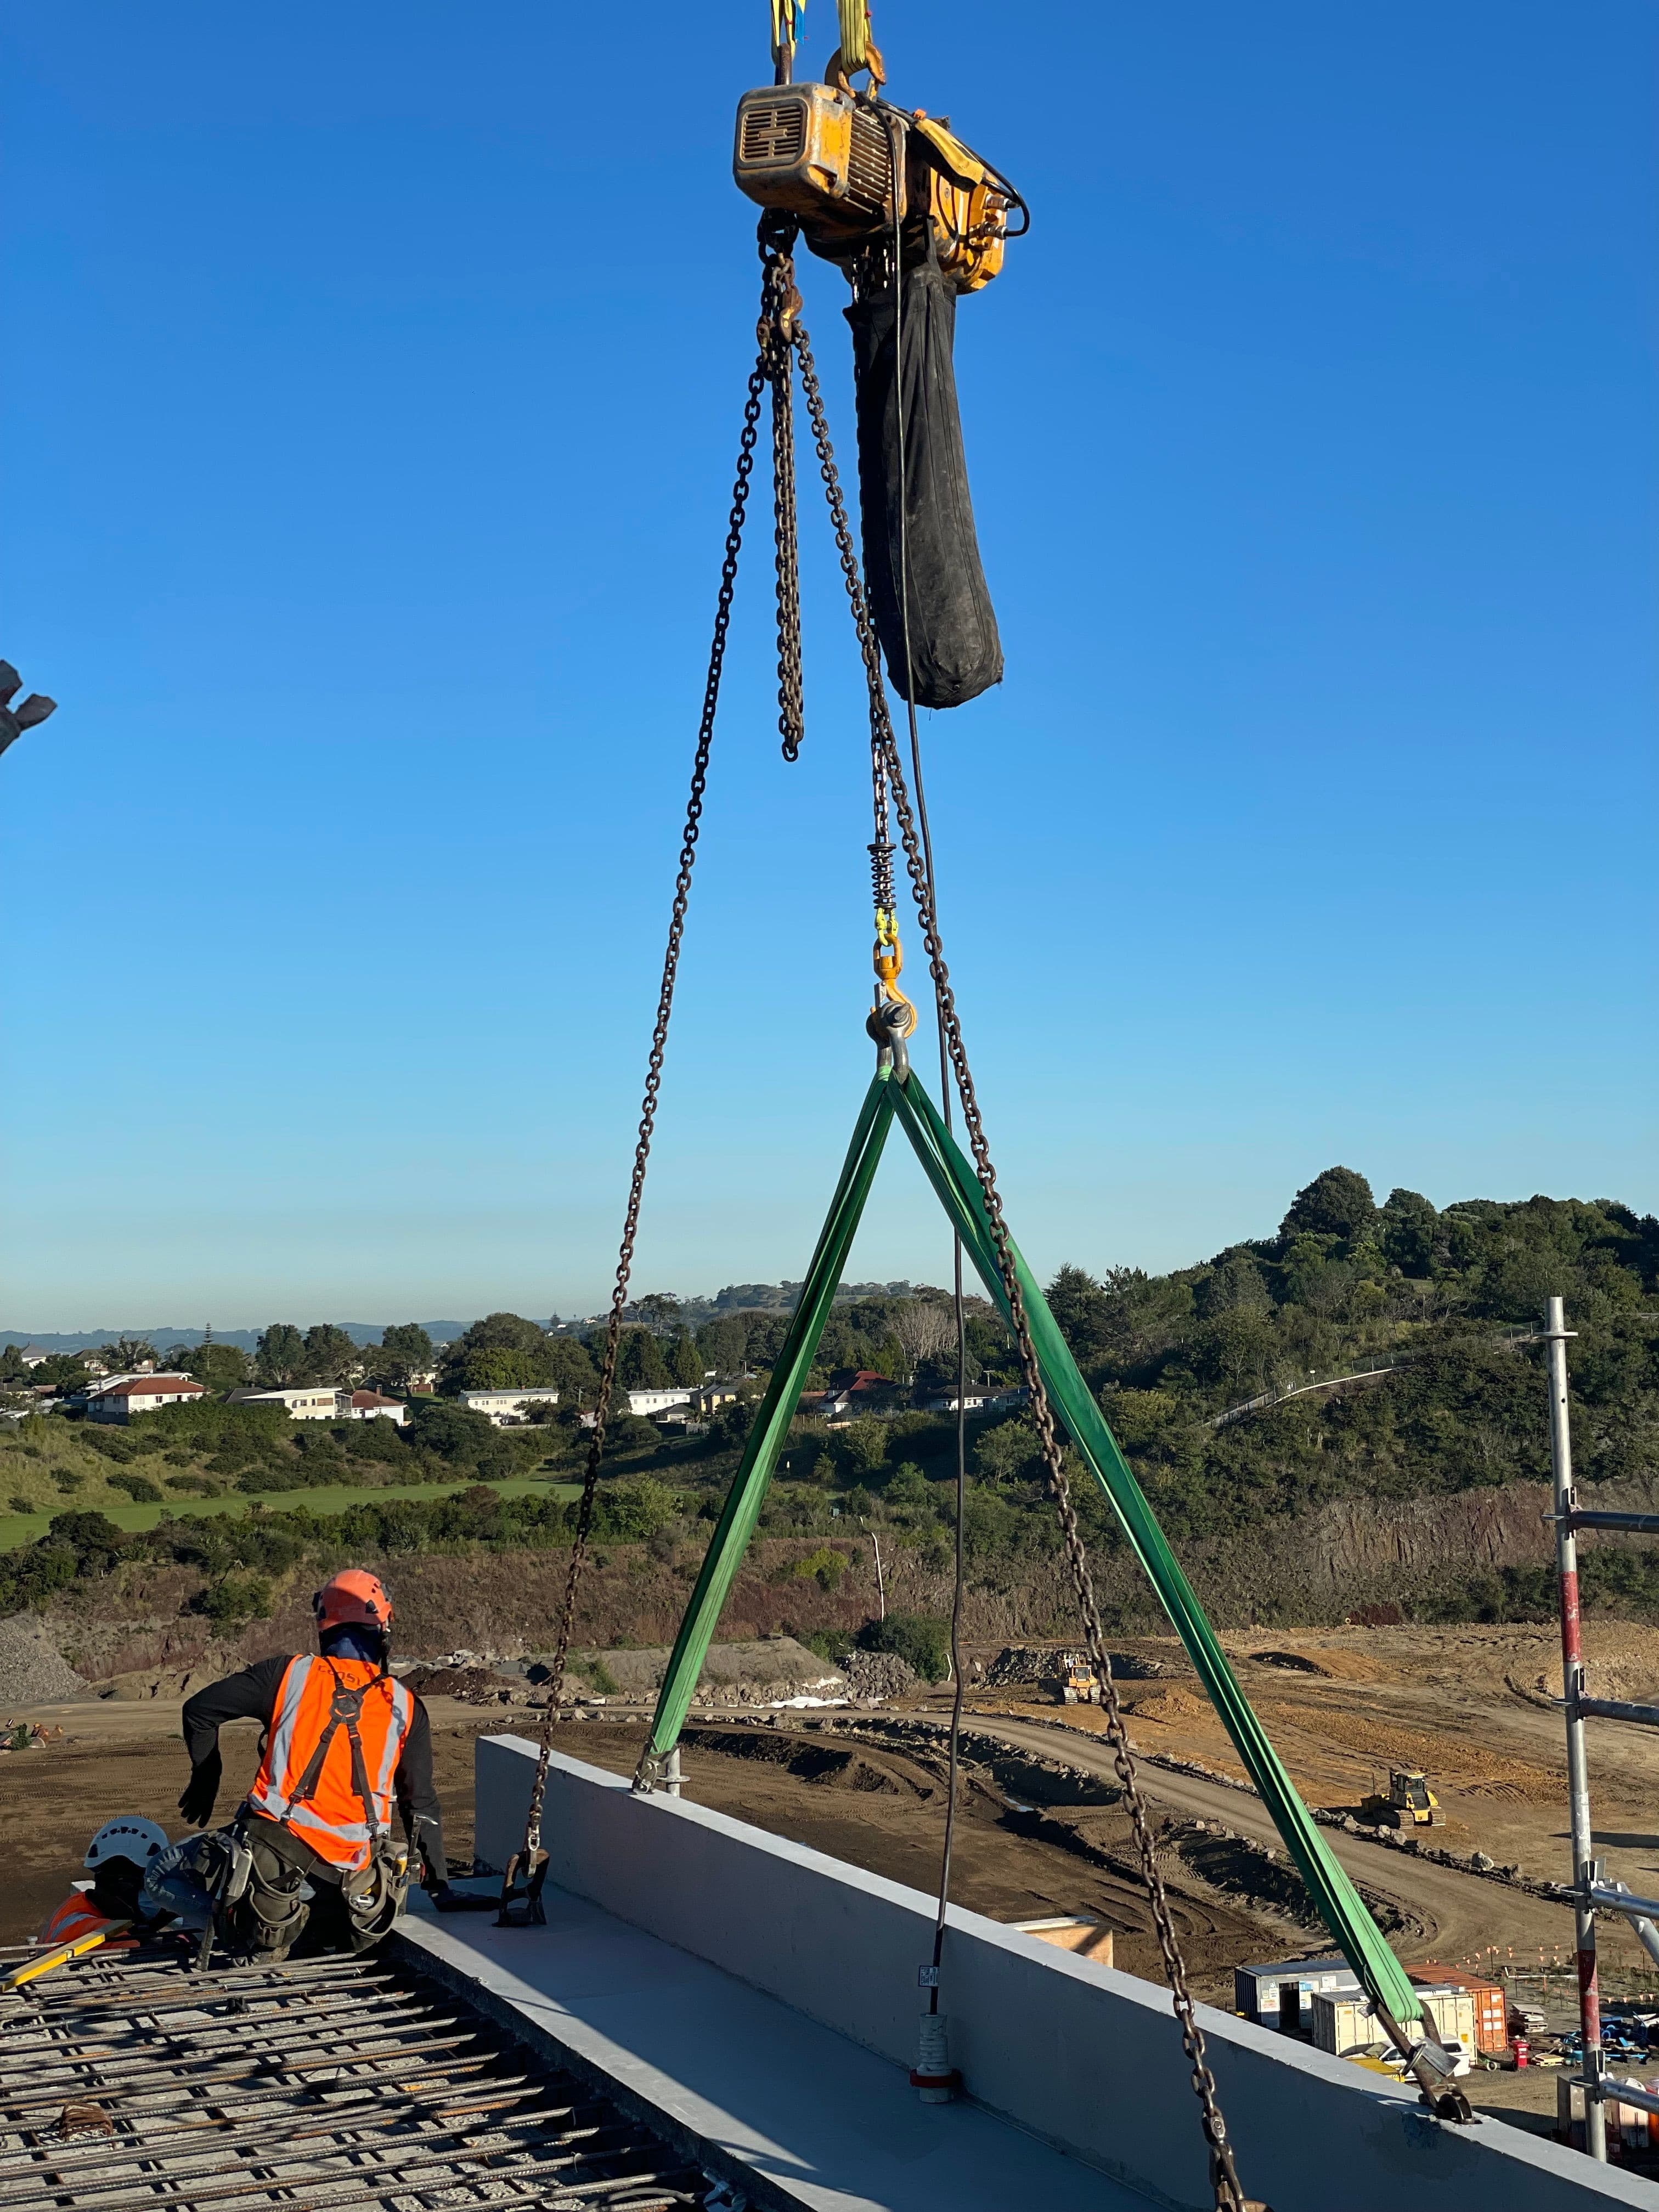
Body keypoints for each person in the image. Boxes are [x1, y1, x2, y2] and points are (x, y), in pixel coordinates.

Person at [178, 1568, 447, 1959]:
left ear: (325, 1626)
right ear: (382, 1629)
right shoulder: (404, 1705)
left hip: (273, 1863)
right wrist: (441, 1888)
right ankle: (307, 1921)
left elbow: (199, 1711)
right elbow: (420, 1804)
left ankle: (250, 1919)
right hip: (354, 1882)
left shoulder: (289, 1675)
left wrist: (207, 1774)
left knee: (159, 1876)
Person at [39, 1816, 170, 1949]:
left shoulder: (79, 1903)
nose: (155, 1896)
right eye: (149, 1889)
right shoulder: (104, 1935)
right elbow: (142, 1953)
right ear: (123, 1888)